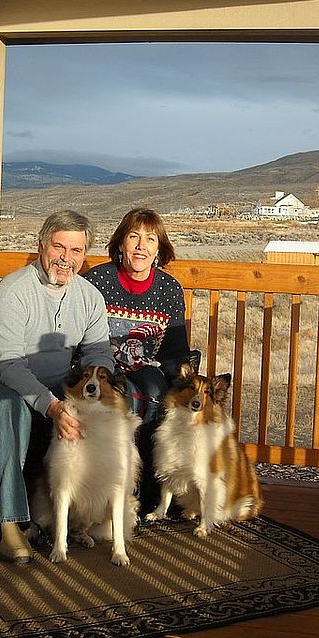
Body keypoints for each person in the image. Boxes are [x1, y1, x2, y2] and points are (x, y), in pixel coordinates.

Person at [0, 210, 114, 564]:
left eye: (75, 250)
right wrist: (53, 406)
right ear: (41, 246)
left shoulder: (89, 297)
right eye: (58, 247)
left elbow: (98, 350)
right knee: (10, 408)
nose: (65, 258)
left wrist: (100, 381)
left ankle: (88, 511)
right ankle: (6, 523)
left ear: (84, 255)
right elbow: (9, 365)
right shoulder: (12, 292)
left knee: (108, 411)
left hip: (56, 379)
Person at [83, 207, 191, 512]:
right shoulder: (98, 280)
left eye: (151, 239)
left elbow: (174, 349)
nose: (141, 246)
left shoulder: (169, 289)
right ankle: (112, 488)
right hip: (100, 367)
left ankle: (146, 491)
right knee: (124, 396)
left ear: (160, 249)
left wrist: (184, 389)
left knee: (156, 392)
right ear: (121, 244)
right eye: (134, 237)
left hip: (147, 367)